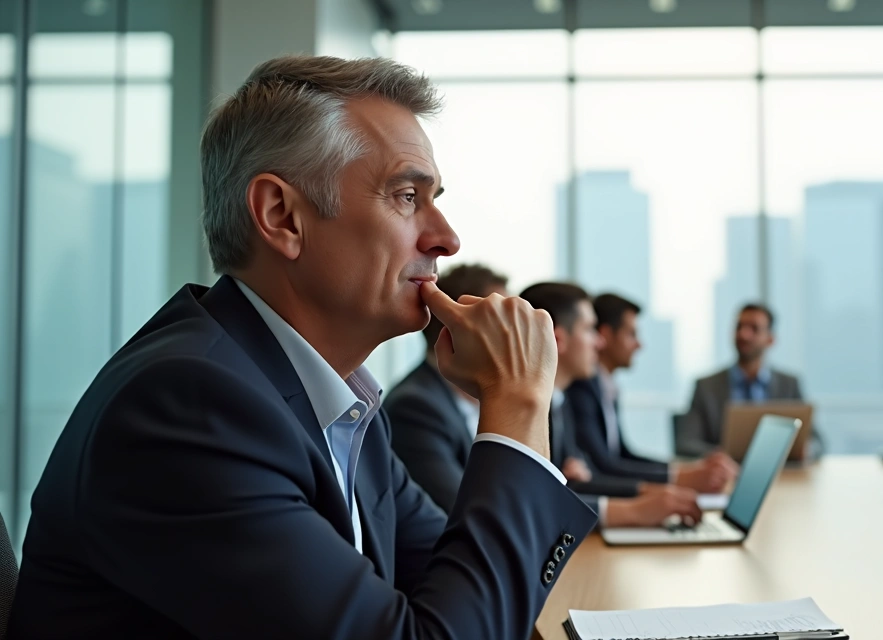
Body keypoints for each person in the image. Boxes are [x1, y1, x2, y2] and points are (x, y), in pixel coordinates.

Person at [9, 56, 597, 639]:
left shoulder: (341, 411)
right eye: (406, 197)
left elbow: (469, 601)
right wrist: (517, 402)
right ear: (281, 216)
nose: (445, 239)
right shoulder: (187, 407)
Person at [520, 283, 703, 528]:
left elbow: (577, 477)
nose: (599, 342)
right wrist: (640, 505)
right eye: (588, 330)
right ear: (558, 339)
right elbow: (541, 500)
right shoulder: (535, 407)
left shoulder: (559, 400)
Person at [567, 293, 738, 491]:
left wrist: (687, 470)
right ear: (606, 335)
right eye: (631, 334)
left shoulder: (605, 386)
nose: (639, 345)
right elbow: (603, 465)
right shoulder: (581, 388)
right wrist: (681, 478)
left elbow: (622, 454)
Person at [383, 263, 508, 513]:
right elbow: (473, 514)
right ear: (455, 330)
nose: (514, 332)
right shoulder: (415, 408)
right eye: (500, 320)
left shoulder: (478, 401)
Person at [675, 303, 804, 457]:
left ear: (770, 339)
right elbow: (686, 442)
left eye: (754, 329)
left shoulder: (788, 385)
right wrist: (727, 457)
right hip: (724, 476)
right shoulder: (706, 387)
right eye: (739, 327)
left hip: (784, 476)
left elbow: (815, 440)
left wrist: (806, 450)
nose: (744, 334)